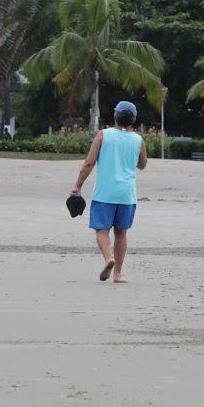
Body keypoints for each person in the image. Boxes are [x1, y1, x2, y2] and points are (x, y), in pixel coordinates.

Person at [71, 101, 147, 283]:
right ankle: (118, 274)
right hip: (127, 194)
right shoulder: (138, 140)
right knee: (121, 233)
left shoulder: (103, 135)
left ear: (115, 116)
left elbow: (89, 163)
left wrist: (78, 186)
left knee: (102, 230)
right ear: (133, 120)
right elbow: (142, 164)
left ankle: (108, 258)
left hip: (105, 193)